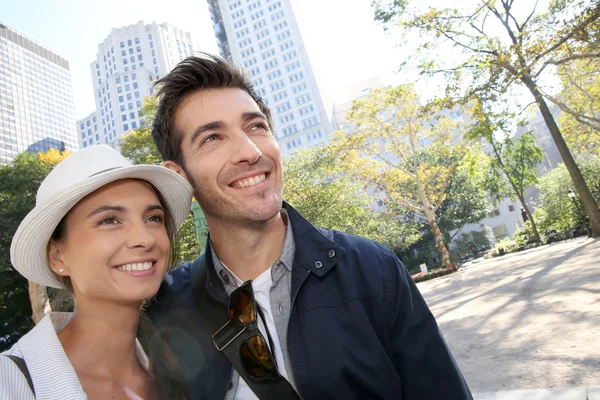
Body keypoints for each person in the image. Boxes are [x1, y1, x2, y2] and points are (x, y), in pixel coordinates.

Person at [147, 54, 473, 399]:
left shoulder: (373, 270)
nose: (249, 151)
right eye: (212, 138)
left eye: (255, 126)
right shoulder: (166, 309)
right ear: (181, 177)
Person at [0, 145, 193, 400]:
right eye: (109, 220)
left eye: (153, 218)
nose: (144, 239)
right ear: (58, 256)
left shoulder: (181, 364)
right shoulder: (11, 384)